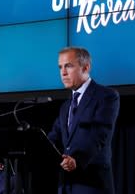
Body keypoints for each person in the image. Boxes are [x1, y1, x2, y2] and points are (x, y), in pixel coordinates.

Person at [47, 46, 120, 194]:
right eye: (60, 67)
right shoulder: (65, 106)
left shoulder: (106, 96)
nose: (63, 72)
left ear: (85, 67)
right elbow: (52, 139)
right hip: (66, 185)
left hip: (92, 184)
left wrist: (77, 159)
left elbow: (99, 134)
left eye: (68, 66)